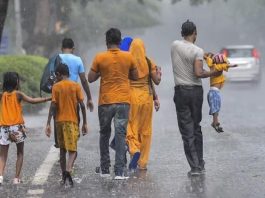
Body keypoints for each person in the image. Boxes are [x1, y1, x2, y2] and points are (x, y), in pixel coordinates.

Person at [171, 20, 222, 176]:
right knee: (196, 127)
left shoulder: (174, 45)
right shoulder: (197, 50)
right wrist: (214, 72)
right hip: (195, 92)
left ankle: (195, 167)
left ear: (182, 33)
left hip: (181, 92)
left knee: (187, 131)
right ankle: (200, 162)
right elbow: (199, 73)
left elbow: (188, 57)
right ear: (195, 33)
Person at [88, 28, 138, 180]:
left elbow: (90, 78)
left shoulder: (100, 57)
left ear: (107, 42)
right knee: (121, 134)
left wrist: (102, 71)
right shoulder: (128, 57)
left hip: (105, 102)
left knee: (104, 134)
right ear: (120, 41)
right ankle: (120, 171)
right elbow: (135, 76)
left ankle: (104, 168)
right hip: (123, 101)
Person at [0, 72, 51, 185]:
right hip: (17, 128)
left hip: (4, 128)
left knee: (3, 155)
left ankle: (0, 176)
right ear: (16, 82)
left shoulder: (2, 95)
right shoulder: (18, 94)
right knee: (20, 153)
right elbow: (32, 101)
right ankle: (16, 179)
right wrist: (48, 99)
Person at [45, 63, 88, 187]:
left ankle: (64, 175)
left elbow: (53, 105)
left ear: (58, 74)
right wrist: (84, 123)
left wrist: (48, 123)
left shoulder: (56, 87)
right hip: (72, 122)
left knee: (62, 150)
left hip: (59, 122)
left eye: (55, 75)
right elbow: (82, 106)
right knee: (73, 150)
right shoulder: (75, 86)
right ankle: (69, 170)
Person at [125, 38, 161, 170]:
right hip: (147, 98)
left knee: (131, 126)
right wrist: (159, 75)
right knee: (145, 129)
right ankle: (142, 163)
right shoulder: (148, 61)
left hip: (131, 97)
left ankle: (134, 150)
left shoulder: (127, 60)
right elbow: (155, 81)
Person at [51, 38, 94, 148]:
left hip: (59, 94)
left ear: (61, 48)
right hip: (73, 96)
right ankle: (72, 143)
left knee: (57, 118)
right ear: (73, 49)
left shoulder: (57, 58)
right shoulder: (78, 59)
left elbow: (53, 77)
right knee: (74, 119)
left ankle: (58, 142)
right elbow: (84, 80)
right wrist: (89, 98)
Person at [204, 53, 237, 133]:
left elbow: (208, 59)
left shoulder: (211, 65)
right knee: (216, 108)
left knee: (216, 108)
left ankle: (214, 122)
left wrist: (205, 56)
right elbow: (227, 65)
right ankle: (215, 123)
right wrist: (232, 65)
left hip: (212, 92)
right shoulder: (219, 66)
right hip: (214, 92)